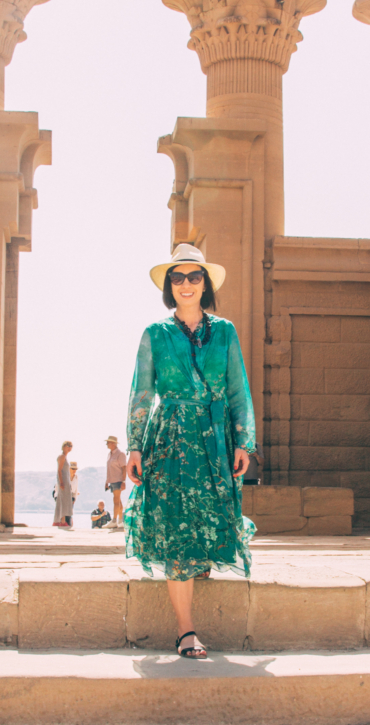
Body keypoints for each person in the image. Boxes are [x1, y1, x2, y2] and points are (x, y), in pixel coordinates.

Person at [125, 244, 256, 659]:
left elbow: (238, 388)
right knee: (177, 527)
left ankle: (195, 567)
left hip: (215, 439)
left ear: (205, 284)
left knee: (211, 517)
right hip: (170, 438)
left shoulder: (226, 331)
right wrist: (133, 445)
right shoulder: (154, 334)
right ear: (169, 286)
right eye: (177, 278)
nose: (185, 284)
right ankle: (186, 631)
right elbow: (142, 393)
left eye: (193, 277)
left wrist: (244, 441)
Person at [105, 436, 127, 529]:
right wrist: (107, 482)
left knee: (116, 500)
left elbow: (124, 468)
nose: (106, 444)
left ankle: (114, 520)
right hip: (112, 480)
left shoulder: (120, 454)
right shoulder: (109, 454)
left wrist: (123, 481)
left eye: (108, 442)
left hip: (118, 480)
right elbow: (109, 469)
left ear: (113, 443)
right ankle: (121, 520)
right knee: (118, 501)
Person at [52, 441, 74, 529]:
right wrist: (61, 482)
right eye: (68, 446)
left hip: (65, 480)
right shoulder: (62, 457)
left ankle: (57, 520)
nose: (70, 448)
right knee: (63, 500)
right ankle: (63, 521)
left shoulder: (65, 457)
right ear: (64, 446)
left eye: (71, 446)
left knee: (62, 500)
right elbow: (59, 470)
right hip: (63, 481)